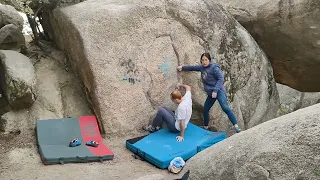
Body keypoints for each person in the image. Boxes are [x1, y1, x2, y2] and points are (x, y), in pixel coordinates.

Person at [177, 53, 241, 133]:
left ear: (209, 60)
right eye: (203, 60)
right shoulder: (201, 67)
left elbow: (221, 78)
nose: (204, 62)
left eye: (206, 60)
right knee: (205, 109)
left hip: (219, 91)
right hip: (211, 94)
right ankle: (206, 126)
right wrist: (182, 67)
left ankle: (236, 126)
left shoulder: (214, 68)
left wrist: (215, 90)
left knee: (225, 107)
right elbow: (192, 67)